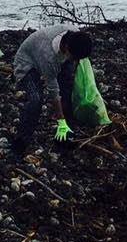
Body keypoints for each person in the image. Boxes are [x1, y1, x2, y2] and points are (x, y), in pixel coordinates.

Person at [10, 26, 93, 158]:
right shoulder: (49, 56)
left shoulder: (75, 36)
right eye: (74, 58)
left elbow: (72, 67)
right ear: (66, 48)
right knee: (36, 99)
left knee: (68, 92)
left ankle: (63, 139)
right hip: (27, 63)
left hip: (57, 57)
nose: (76, 61)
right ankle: (20, 142)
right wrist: (60, 120)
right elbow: (53, 90)